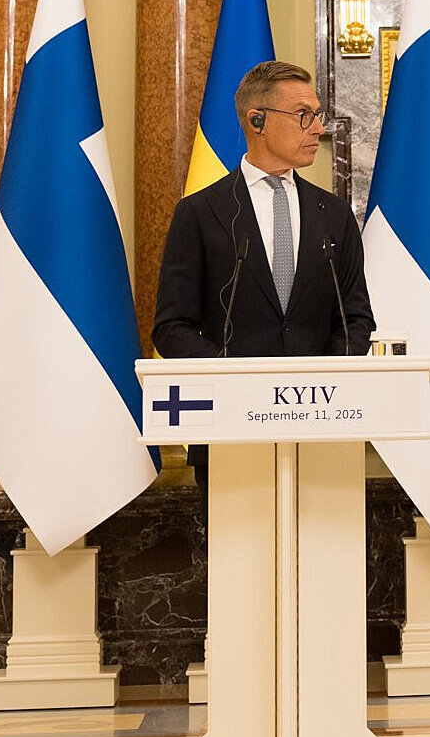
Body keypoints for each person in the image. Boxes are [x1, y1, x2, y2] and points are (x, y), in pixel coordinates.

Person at [154, 61, 375, 481]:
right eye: (303, 115)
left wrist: (321, 388)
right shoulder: (199, 213)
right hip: (229, 434)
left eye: (318, 115)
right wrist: (242, 382)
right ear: (257, 120)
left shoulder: (333, 213)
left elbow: (356, 319)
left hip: (324, 433)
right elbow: (171, 327)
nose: (317, 128)